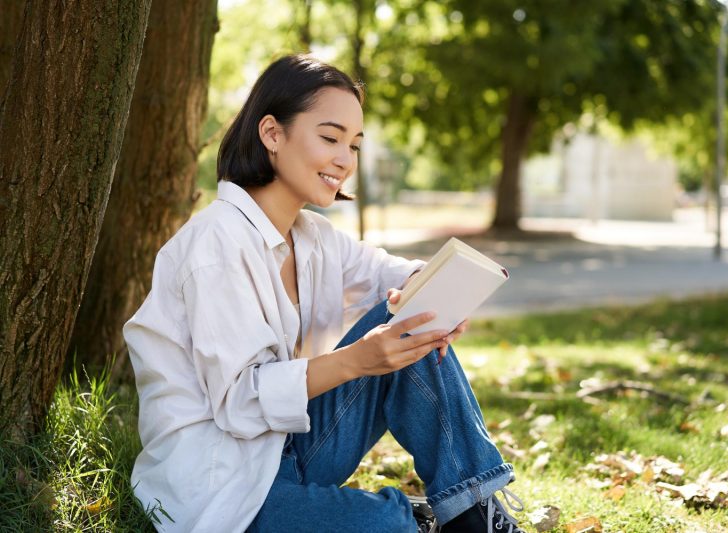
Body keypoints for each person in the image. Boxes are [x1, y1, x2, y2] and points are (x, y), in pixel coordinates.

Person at [124, 54, 526, 533]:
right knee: (386, 527)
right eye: (330, 138)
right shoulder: (215, 245)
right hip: (222, 490)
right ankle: (412, 520)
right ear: (272, 134)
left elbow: (385, 273)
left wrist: (437, 291)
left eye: (354, 145)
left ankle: (473, 513)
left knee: (413, 321)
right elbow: (239, 403)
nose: (345, 160)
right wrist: (359, 360)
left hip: (292, 450)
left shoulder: (311, 235)